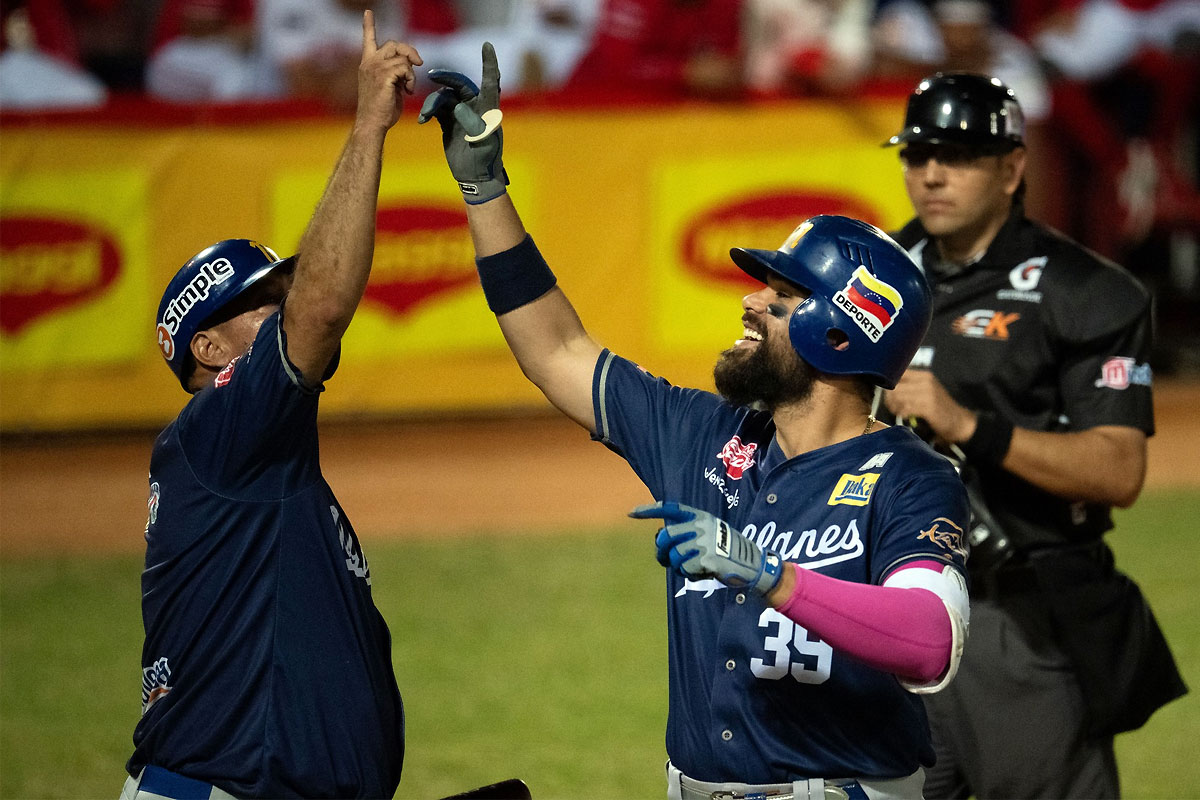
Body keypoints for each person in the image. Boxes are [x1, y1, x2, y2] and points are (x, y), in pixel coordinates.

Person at [418, 45, 972, 798]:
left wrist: (770, 576)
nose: (748, 301)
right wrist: (483, 188)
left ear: (843, 332)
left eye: (780, 295)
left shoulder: (911, 478)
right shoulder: (708, 437)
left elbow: (928, 642)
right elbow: (555, 350)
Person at [122, 12, 420, 799]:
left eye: (281, 294)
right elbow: (322, 311)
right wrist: (367, 127)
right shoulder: (220, 427)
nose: (288, 309)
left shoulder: (256, 462)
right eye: (263, 305)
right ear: (211, 353)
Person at [881, 71, 1188, 798]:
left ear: (1013, 167)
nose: (930, 174)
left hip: (1015, 622)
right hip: (892, 613)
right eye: (917, 154)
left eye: (956, 155)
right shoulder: (881, 277)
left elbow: (1118, 472)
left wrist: (969, 427)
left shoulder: (1084, 292)